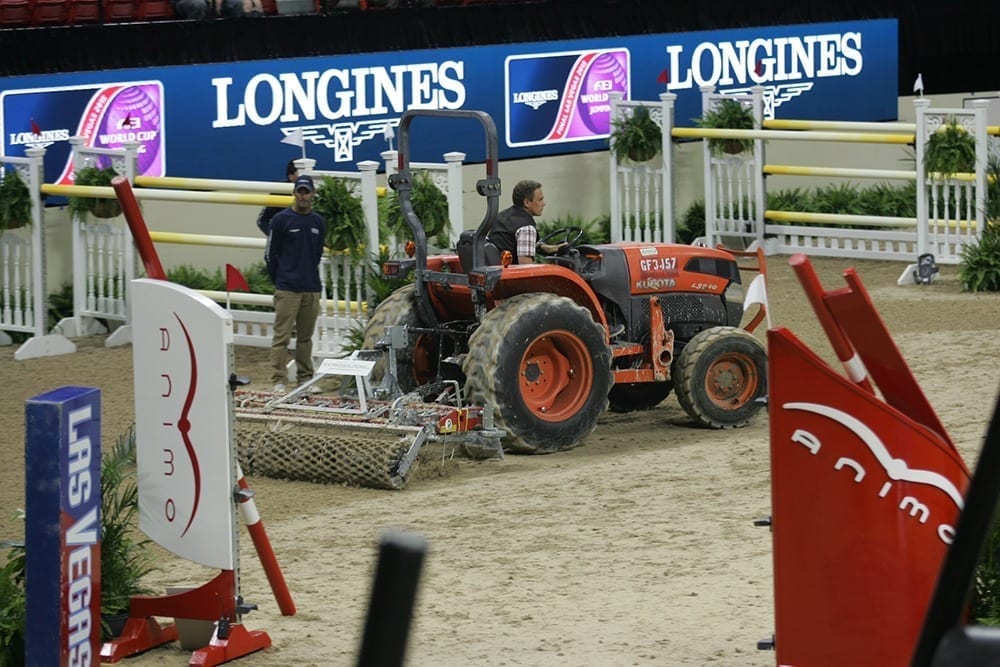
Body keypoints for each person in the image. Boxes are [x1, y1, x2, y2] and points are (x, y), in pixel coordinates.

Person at [265, 174, 326, 393]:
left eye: (306, 191)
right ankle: (279, 379)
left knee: (305, 338)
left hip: (311, 287)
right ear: (294, 193)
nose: (303, 195)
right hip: (287, 288)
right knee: (281, 336)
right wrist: (281, 281)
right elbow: (271, 255)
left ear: (312, 194)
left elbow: (317, 253)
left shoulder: (318, 222)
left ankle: (305, 379)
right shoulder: (281, 220)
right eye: (299, 191)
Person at [488, 179, 563, 264]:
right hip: (511, 275)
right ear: (527, 202)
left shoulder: (503, 216)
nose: (544, 204)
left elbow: (510, 243)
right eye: (540, 200)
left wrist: (542, 247)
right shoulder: (526, 228)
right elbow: (526, 268)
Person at [257, 159, 299, 236]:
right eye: (301, 175)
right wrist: (276, 236)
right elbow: (262, 220)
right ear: (291, 176)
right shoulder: (279, 191)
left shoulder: (314, 192)